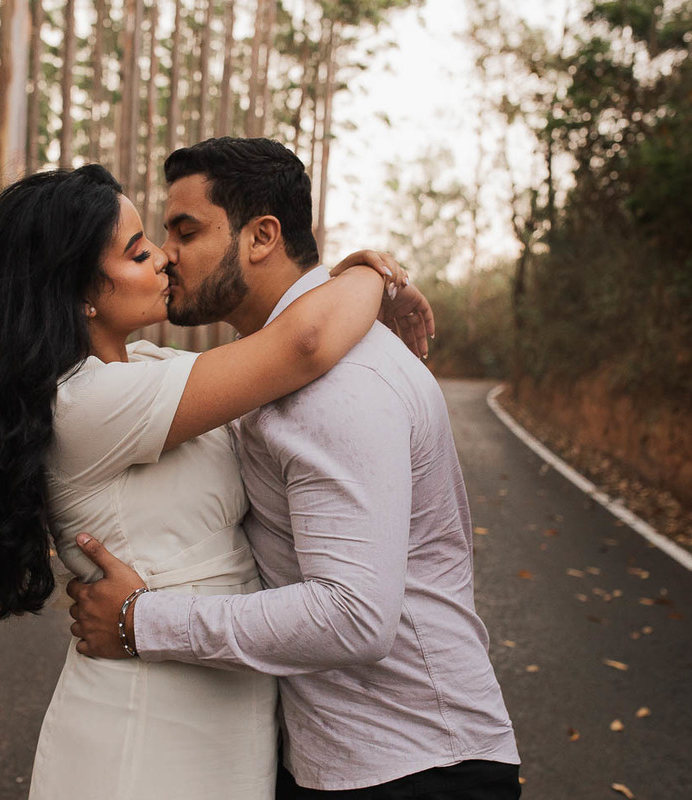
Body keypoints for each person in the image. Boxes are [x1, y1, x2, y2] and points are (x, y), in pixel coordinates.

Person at [0, 163, 431, 800]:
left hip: (220, 712)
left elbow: (282, 349)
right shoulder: (87, 401)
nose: (163, 258)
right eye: (137, 251)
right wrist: (369, 276)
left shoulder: (151, 368)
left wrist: (346, 278)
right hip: (146, 723)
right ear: (79, 292)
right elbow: (305, 341)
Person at [68, 138, 522, 800]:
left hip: (416, 766)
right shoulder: (269, 369)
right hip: (338, 758)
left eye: (185, 230)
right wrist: (370, 275)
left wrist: (142, 621)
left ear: (261, 237)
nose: (167, 255)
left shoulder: (337, 383)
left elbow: (354, 616)